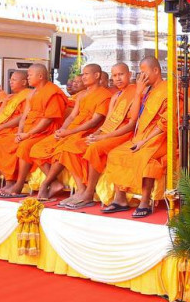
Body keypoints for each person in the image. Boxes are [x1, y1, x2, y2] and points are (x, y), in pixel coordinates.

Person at [57, 63, 139, 209]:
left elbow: (131, 125)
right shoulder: (116, 96)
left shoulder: (136, 93)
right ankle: (81, 189)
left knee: (94, 148)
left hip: (125, 134)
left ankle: (89, 193)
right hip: (109, 132)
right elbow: (108, 122)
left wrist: (102, 138)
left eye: (121, 74)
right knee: (72, 146)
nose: (118, 78)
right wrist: (96, 134)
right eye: (115, 75)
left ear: (130, 75)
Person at [27, 64, 112, 201]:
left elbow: (94, 122)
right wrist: (63, 130)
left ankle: (52, 184)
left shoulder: (105, 95)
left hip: (85, 132)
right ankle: (54, 183)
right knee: (37, 148)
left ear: (97, 75)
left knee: (66, 149)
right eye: (83, 74)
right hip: (71, 130)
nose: (83, 77)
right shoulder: (81, 95)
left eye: (86, 74)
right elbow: (72, 116)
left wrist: (68, 132)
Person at [104, 57, 169, 218]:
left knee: (145, 158)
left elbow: (166, 122)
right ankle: (120, 199)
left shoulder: (168, 90)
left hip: (160, 136)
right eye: (140, 72)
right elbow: (134, 118)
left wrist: (144, 141)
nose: (141, 76)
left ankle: (145, 202)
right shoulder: (147, 90)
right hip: (141, 135)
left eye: (144, 72)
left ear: (156, 70)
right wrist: (139, 92)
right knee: (116, 153)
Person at [0, 64, 69, 198]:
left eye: (30, 75)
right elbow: (25, 115)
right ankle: (10, 181)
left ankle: (19, 185)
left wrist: (27, 134)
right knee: (2, 143)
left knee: (25, 146)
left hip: (46, 132)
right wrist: (20, 132)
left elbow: (48, 120)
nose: (27, 78)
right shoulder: (32, 93)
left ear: (40, 76)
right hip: (28, 131)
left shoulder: (52, 92)